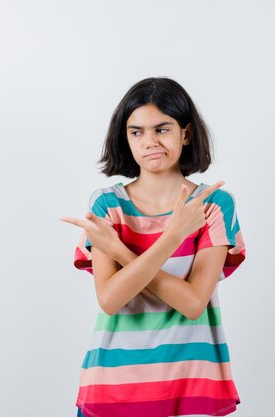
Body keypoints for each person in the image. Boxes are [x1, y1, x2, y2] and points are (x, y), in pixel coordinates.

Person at [60, 77, 247, 417]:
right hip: (114, 384)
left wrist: (120, 252)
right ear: (125, 137)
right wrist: (173, 237)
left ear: (185, 134)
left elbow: (192, 303)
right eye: (137, 132)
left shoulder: (213, 205)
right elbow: (111, 299)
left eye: (162, 129)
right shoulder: (107, 204)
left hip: (191, 383)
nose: (149, 142)